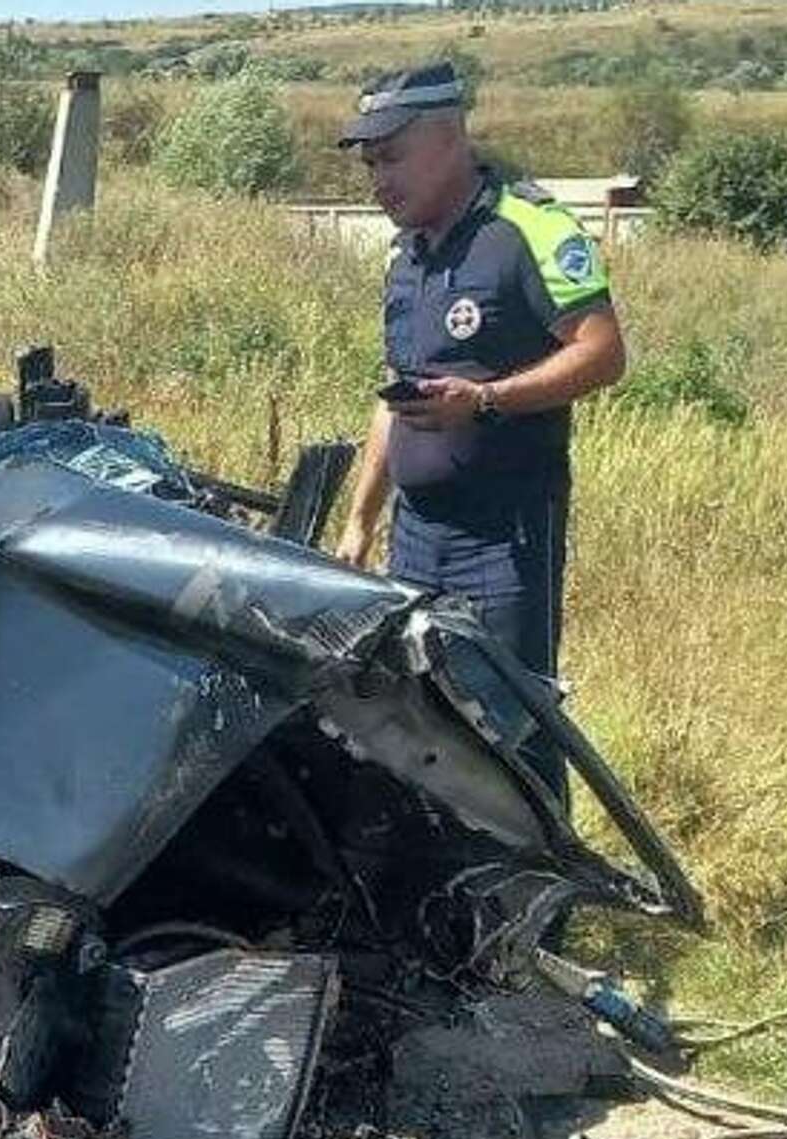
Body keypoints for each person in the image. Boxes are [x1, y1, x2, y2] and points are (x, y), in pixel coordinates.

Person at [330, 63, 627, 800]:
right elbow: (391, 398)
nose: (378, 181)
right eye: (370, 164)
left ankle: (545, 907)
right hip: (417, 535)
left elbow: (603, 351)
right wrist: (360, 522)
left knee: (511, 728)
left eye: (391, 158)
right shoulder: (408, 258)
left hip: (503, 541)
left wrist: (487, 400)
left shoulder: (528, 229)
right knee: (419, 722)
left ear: (449, 137)